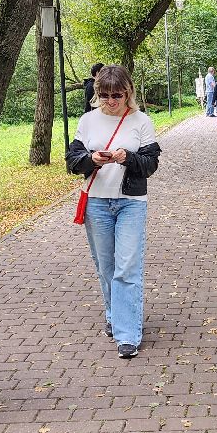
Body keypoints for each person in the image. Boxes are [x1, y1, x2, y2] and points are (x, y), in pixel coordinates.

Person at [66, 66, 161, 358]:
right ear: (97, 94)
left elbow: (150, 165)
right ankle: (113, 313)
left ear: (128, 93)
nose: (111, 101)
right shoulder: (88, 120)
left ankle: (127, 333)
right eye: (104, 95)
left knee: (127, 266)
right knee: (106, 267)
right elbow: (72, 161)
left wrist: (127, 158)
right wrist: (91, 159)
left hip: (131, 202)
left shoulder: (141, 121)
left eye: (116, 95)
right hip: (96, 202)